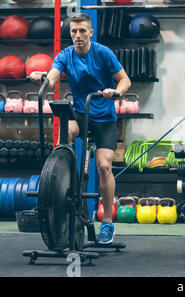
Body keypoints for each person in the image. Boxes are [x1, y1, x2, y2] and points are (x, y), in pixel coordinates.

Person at [30, 13, 131, 244]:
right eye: (73, 32)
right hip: (80, 113)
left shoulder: (103, 53)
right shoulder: (65, 55)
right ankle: (63, 177)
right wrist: (43, 78)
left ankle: (107, 222)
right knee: (67, 133)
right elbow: (53, 78)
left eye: (82, 31)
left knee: (104, 166)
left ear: (90, 33)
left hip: (105, 117)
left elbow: (125, 80)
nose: (77, 36)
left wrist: (116, 92)